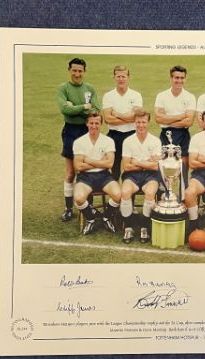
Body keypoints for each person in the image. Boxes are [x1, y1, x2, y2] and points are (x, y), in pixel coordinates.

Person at [56, 57, 101, 222]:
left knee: (86, 170)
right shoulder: (63, 88)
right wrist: (83, 107)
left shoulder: (89, 88)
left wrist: (73, 107)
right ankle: (68, 209)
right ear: (69, 70)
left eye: (80, 71)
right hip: (70, 131)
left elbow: (96, 111)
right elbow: (64, 109)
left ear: (84, 72)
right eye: (74, 70)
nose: (77, 74)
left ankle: (87, 208)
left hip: (87, 131)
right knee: (70, 173)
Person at [72, 111, 121, 235]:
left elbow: (109, 164)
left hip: (104, 175)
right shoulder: (79, 142)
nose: (94, 126)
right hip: (85, 177)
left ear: (101, 124)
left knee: (118, 195)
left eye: (97, 123)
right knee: (78, 198)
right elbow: (78, 166)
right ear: (87, 124)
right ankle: (90, 218)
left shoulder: (108, 141)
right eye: (91, 123)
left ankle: (106, 217)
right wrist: (100, 161)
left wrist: (87, 160)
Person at [120, 111, 162, 244]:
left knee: (150, 193)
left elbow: (156, 167)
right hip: (131, 175)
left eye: (143, 122)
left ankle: (144, 226)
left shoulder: (155, 141)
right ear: (134, 123)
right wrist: (146, 163)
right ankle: (128, 227)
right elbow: (126, 166)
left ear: (148, 123)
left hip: (151, 175)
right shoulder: (128, 141)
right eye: (138, 122)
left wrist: (137, 162)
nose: (141, 125)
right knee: (125, 192)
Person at [155, 65, 196, 183]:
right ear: (171, 78)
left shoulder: (190, 97)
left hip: (183, 134)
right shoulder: (161, 96)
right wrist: (181, 116)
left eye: (182, 78)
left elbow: (189, 121)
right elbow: (158, 119)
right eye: (176, 77)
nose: (179, 80)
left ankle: (183, 196)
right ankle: (163, 195)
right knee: (163, 166)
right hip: (165, 134)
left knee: (183, 167)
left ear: (185, 78)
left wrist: (167, 118)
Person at [102, 65, 143, 182]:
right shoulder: (108, 96)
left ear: (128, 77)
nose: (121, 79)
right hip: (114, 135)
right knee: (114, 169)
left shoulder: (136, 95)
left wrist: (117, 114)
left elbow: (136, 118)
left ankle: (128, 196)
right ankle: (115, 198)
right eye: (118, 76)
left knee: (131, 168)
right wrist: (128, 117)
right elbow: (108, 119)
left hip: (131, 135)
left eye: (123, 76)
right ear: (114, 77)